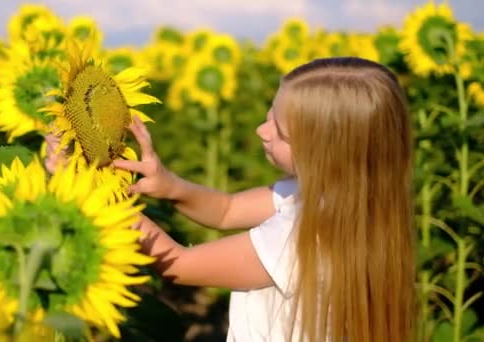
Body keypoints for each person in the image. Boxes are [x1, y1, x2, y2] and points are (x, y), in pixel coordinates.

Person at [46, 57, 416, 342]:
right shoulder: (345, 201)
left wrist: (86, 191)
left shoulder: (300, 237)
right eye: (270, 115)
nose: (262, 130)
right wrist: (168, 184)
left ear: (328, 154)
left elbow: (180, 264)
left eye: (281, 132)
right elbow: (227, 209)